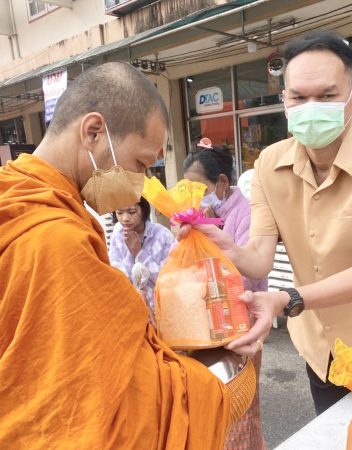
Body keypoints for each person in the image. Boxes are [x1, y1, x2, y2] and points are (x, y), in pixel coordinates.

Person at [183, 30, 352, 416]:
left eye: (326, 95)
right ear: (284, 101)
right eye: (299, 97)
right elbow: (259, 259)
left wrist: (287, 300)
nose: (311, 106)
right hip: (326, 352)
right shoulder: (269, 163)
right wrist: (225, 246)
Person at [0, 62, 234, 449]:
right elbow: (106, 406)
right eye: (141, 164)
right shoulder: (52, 239)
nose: (140, 183)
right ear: (93, 132)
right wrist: (224, 377)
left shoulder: (17, 194)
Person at [183, 138, 267, 450]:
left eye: (199, 188)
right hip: (211, 330)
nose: (195, 197)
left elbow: (247, 273)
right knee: (215, 409)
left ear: (220, 183)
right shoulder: (204, 213)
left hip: (242, 326)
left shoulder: (245, 214)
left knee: (241, 408)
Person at [109, 197, 174, 312]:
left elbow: (168, 280)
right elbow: (118, 279)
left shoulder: (162, 235)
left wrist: (139, 253)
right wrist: (131, 253)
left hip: (162, 311)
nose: (125, 218)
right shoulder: (117, 233)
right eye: (119, 212)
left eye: (132, 212)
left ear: (143, 210)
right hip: (131, 311)